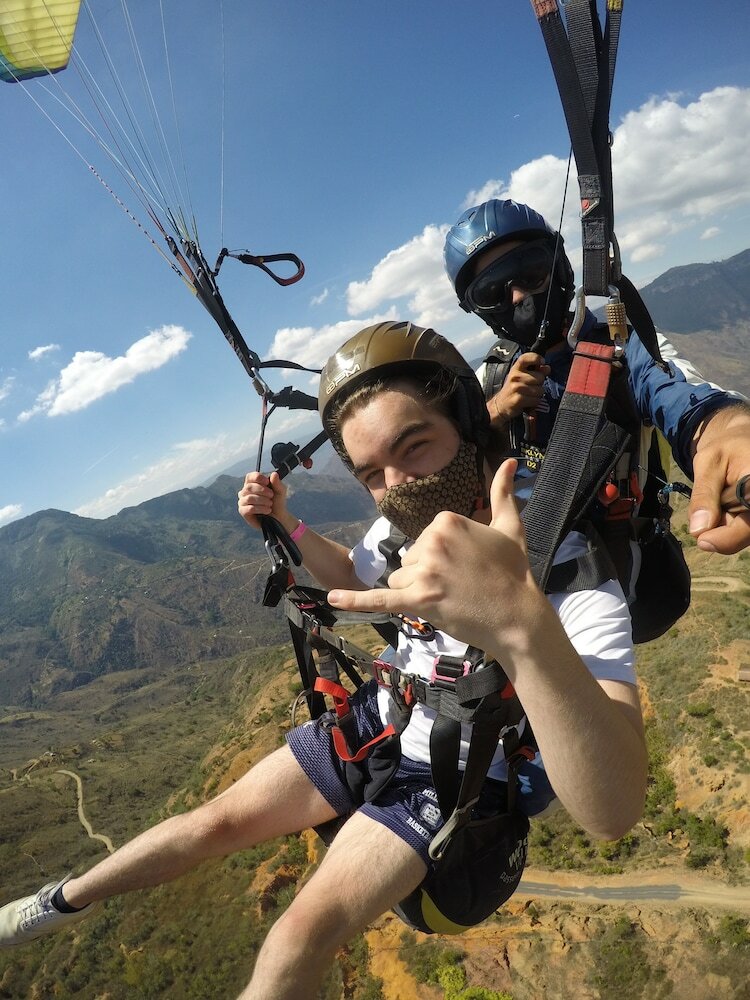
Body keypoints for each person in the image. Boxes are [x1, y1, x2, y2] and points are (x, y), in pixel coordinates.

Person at [0, 321, 647, 999]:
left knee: (291, 945)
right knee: (210, 823)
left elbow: (612, 811)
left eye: (415, 446)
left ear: (466, 422)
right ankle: (63, 899)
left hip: (451, 773)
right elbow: (356, 571)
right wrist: (288, 522)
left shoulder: (564, 569)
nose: (399, 487)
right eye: (372, 474)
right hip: (380, 718)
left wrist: (521, 622)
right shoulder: (398, 534)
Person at [443, 199, 750, 561]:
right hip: (531, 568)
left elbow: (678, 395)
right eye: (491, 292)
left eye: (530, 270)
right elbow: (441, 458)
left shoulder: (624, 349)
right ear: (479, 312)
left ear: (559, 267)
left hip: (623, 559)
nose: (519, 295)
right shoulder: (489, 377)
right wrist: (494, 412)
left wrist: (726, 429)